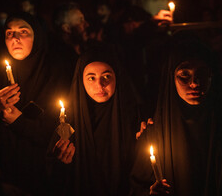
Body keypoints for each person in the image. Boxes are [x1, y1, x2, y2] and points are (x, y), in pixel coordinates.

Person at [130, 31, 222, 196]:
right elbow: (137, 186)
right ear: (171, 79)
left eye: (201, 74)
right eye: (184, 75)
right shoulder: (153, 135)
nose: (194, 83)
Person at [47, 45, 145, 196]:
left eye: (106, 76)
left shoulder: (134, 117)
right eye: (91, 78)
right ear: (81, 81)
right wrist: (61, 162)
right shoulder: (68, 121)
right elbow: (54, 178)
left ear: (117, 77)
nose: (100, 85)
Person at [0, 12, 66, 195]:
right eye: (9, 33)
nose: (15, 38)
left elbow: (58, 132)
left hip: (42, 175)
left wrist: (19, 122)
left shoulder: (54, 74)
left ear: (37, 37)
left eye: (23, 32)